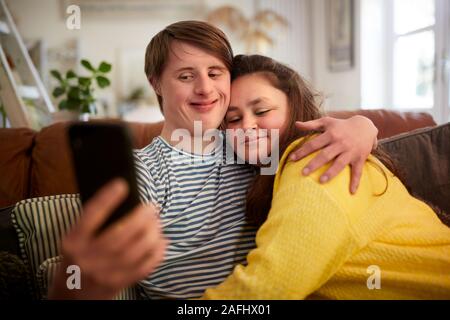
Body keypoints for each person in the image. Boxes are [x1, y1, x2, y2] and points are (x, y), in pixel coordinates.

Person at [49, 21, 379, 300]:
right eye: (185, 76)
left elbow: (311, 137)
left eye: (215, 72)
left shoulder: (253, 145)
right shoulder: (144, 172)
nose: (205, 89)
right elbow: (91, 271)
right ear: (156, 83)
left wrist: (363, 127)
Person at [201, 54, 450, 299]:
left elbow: (265, 288)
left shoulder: (317, 162)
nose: (246, 126)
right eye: (233, 119)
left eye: (262, 110)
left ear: (294, 106)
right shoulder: (258, 171)